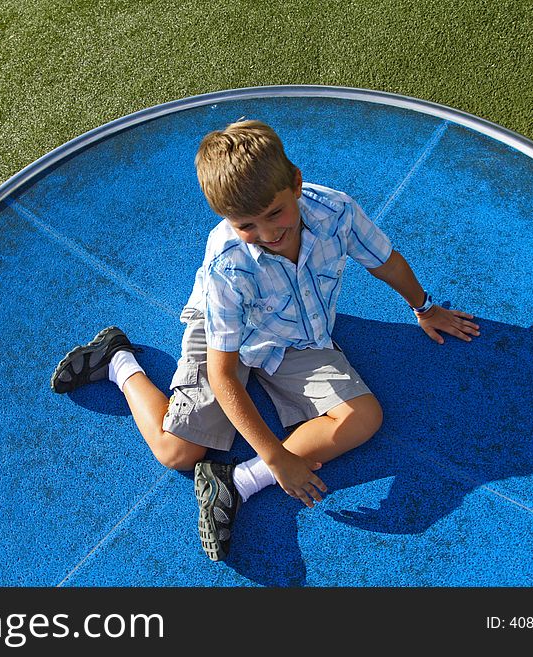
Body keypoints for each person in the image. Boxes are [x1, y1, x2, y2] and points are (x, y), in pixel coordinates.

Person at [50, 119, 480, 561]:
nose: (268, 233)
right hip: (227, 339)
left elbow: (385, 262)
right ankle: (118, 360)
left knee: (365, 417)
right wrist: (278, 458)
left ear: (295, 183)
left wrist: (426, 308)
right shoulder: (227, 265)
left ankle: (235, 482)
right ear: (226, 220)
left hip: (297, 338)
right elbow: (223, 373)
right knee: (177, 451)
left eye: (275, 214)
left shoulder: (336, 211)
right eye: (246, 225)